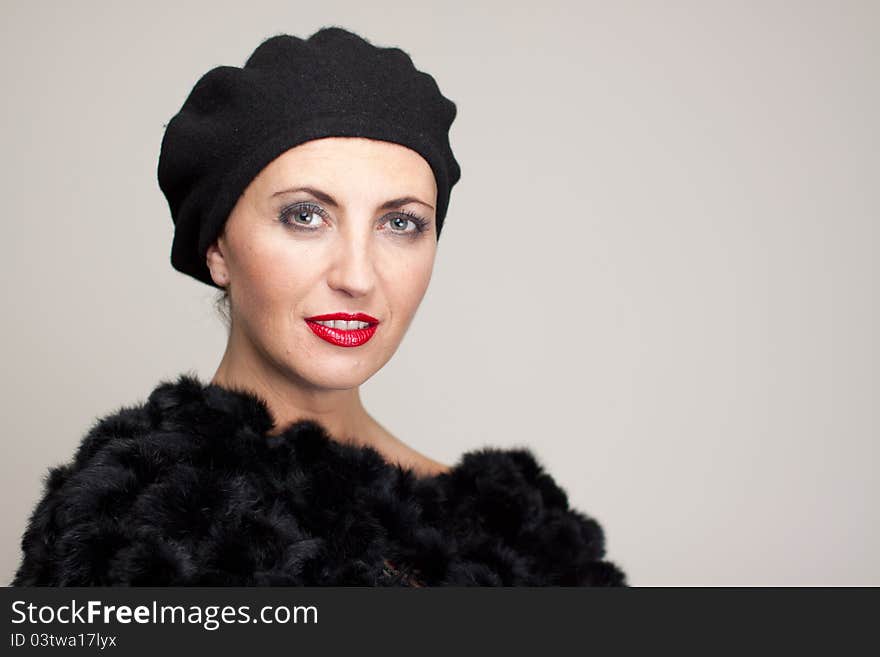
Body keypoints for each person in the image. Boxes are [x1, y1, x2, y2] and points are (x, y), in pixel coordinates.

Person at [11, 26, 627, 586]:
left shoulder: (518, 534)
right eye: (305, 216)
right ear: (218, 248)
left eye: (401, 223)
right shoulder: (128, 521)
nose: (357, 276)